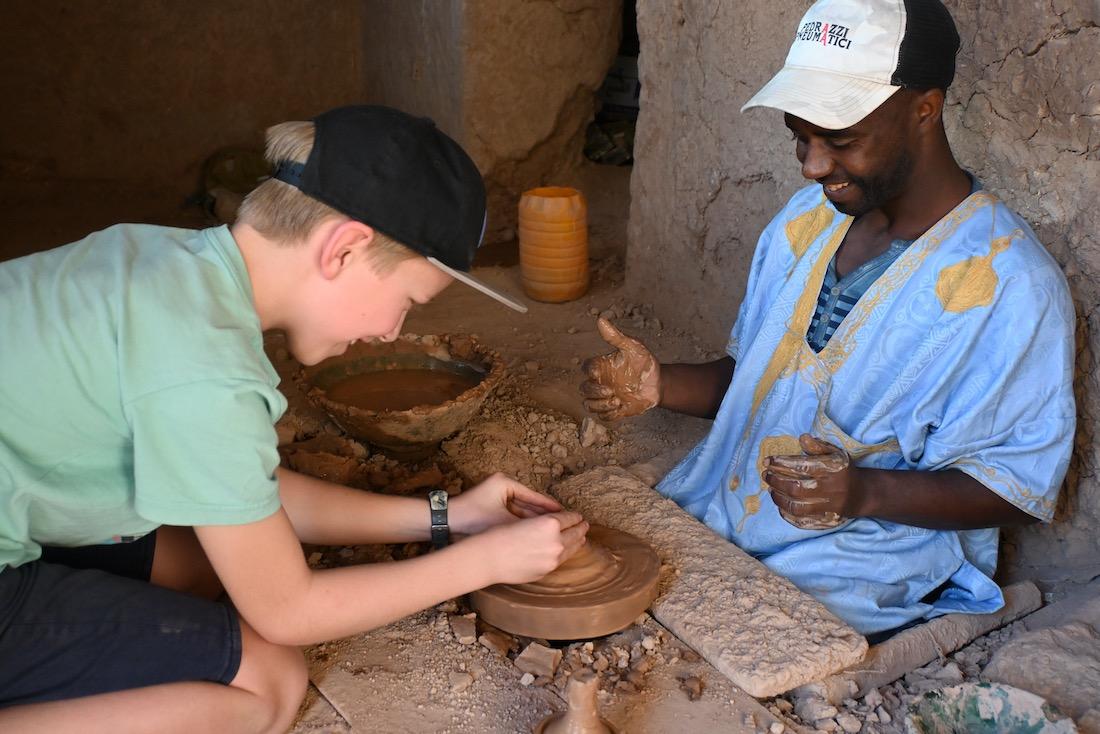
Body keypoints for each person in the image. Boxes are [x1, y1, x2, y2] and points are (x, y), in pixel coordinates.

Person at [0, 105, 588, 731]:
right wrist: (484, 563)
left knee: (199, 562)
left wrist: (450, 517)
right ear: (344, 248)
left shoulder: (165, 260)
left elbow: (242, 497)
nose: (394, 330)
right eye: (407, 302)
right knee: (270, 685)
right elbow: (287, 610)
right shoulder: (205, 369)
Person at [581, 0, 1075, 638]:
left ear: (925, 109)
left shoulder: (1008, 285)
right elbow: (758, 381)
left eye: (840, 141)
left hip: (862, 557)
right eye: (800, 137)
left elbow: (1016, 489)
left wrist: (860, 494)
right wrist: (660, 384)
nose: (813, 166)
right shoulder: (804, 223)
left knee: (743, 625)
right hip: (727, 500)